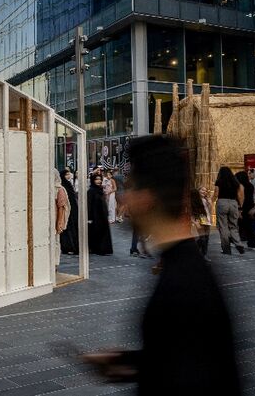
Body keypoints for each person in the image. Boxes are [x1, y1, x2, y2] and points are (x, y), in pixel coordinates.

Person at [82, 135, 240, 395]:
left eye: (130, 187)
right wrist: (129, 363)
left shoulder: (182, 285)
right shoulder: (184, 267)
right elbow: (181, 356)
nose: (124, 198)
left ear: (147, 198)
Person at [214, 167, 245, 255]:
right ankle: (238, 244)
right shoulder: (236, 182)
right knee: (234, 226)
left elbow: (216, 194)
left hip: (222, 202)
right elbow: (240, 196)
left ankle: (226, 249)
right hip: (233, 203)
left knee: (223, 226)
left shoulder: (219, 181)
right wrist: (240, 207)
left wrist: (211, 201)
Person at [87, 174, 113, 255]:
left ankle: (104, 249)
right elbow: (89, 204)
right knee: (97, 233)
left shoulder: (100, 189)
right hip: (96, 216)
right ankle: (98, 249)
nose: (99, 181)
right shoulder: (91, 191)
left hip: (103, 215)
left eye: (100, 179)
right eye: (96, 179)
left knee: (104, 232)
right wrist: (89, 217)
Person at [52, 169, 71, 265]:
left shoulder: (59, 189)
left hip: (54, 220)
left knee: (55, 242)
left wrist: (59, 223)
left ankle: (54, 263)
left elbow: (62, 207)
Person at [235, 171, 255, 249]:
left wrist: (239, 209)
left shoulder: (240, 186)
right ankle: (252, 242)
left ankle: (237, 240)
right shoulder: (251, 185)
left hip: (243, 206)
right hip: (250, 206)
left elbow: (241, 197)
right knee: (249, 225)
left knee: (240, 224)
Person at [59, 168, 79, 255]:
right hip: (67, 211)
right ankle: (68, 246)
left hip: (73, 210)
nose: (68, 175)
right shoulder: (62, 186)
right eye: (66, 174)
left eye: (69, 174)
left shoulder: (68, 184)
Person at [191, 188, 212, 259]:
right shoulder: (194, 200)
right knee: (202, 238)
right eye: (202, 190)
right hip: (199, 219)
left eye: (206, 190)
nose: (204, 191)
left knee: (206, 238)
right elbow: (191, 212)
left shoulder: (206, 200)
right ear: (198, 191)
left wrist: (210, 203)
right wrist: (194, 221)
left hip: (206, 220)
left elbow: (209, 211)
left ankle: (203, 254)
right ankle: (195, 252)